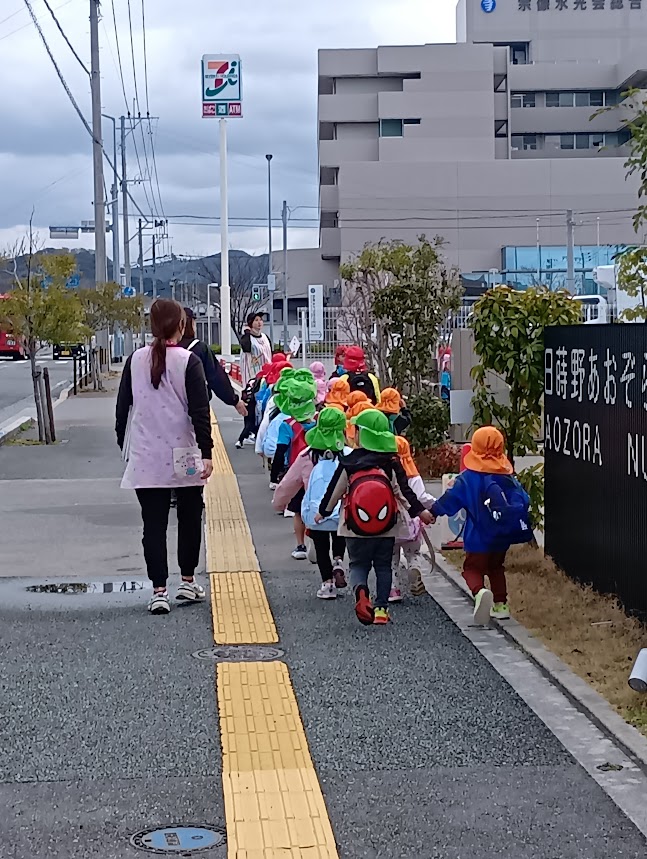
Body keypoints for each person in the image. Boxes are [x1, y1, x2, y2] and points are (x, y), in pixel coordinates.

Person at [115, 299, 213, 615]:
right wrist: (207, 453)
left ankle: (158, 591)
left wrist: (124, 445)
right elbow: (200, 412)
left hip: (146, 454)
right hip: (185, 453)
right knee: (189, 517)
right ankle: (187, 581)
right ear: (181, 326)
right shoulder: (189, 361)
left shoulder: (135, 360)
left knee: (153, 524)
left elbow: (122, 409)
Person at [317, 409, 432, 626]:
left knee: (358, 565)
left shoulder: (349, 462)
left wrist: (323, 512)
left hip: (354, 526)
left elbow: (334, 491)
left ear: (362, 433)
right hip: (385, 526)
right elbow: (404, 492)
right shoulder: (390, 462)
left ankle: (361, 593)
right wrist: (420, 512)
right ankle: (381, 610)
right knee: (383, 566)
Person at [430, 426, 532, 625]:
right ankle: (501, 605)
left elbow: (450, 500)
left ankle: (480, 592)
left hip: (478, 538)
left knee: (471, 569)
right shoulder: (506, 477)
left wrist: (432, 512)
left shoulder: (468, 478)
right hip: (501, 537)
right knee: (496, 567)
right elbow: (524, 500)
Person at [273, 408, 349, 599]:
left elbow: (288, 483)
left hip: (315, 513)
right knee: (339, 537)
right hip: (341, 511)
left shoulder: (307, 455)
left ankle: (327, 585)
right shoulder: (349, 454)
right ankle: (339, 561)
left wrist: (279, 504)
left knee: (321, 547)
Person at [270, 369, 318, 559]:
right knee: (319, 506)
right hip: (319, 470)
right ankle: (317, 541)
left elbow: (280, 451)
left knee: (298, 511)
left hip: (296, 471)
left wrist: (275, 475)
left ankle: (300, 546)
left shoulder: (287, 425)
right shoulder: (320, 421)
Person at [390, 436, 436, 603]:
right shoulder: (413, 476)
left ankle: (393, 590)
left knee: (391, 558)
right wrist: (434, 506)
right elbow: (422, 497)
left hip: (392, 522)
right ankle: (414, 568)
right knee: (413, 553)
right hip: (412, 522)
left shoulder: (387, 471)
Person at [240, 312, 272, 385]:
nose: (259, 322)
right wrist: (247, 332)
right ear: (250, 323)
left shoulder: (265, 337)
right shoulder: (247, 338)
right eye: (256, 320)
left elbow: (270, 353)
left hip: (266, 375)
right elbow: (246, 348)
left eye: (260, 320)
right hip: (252, 375)